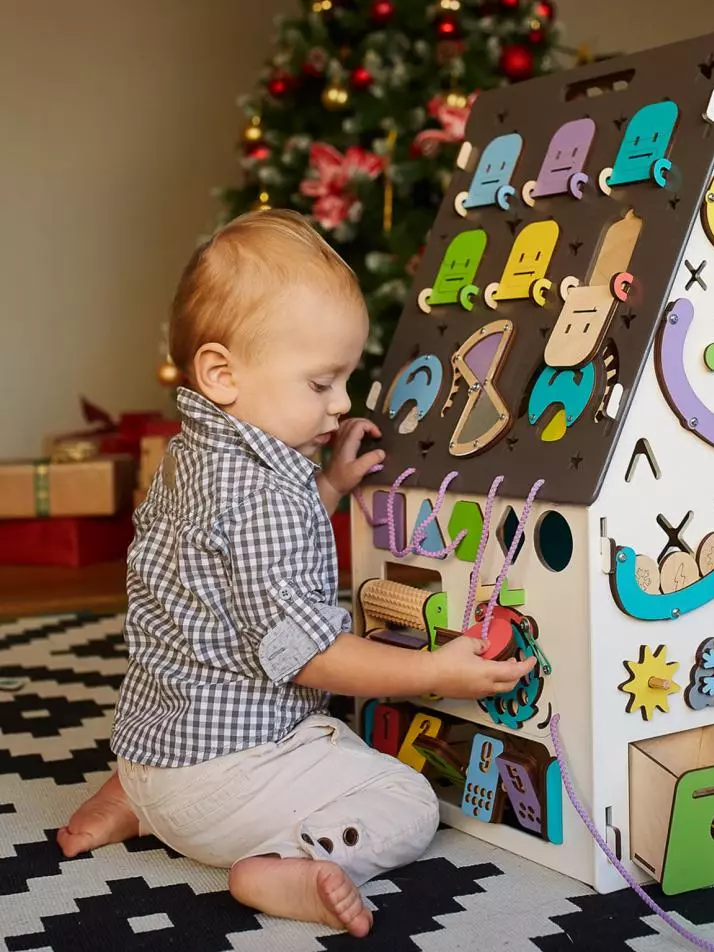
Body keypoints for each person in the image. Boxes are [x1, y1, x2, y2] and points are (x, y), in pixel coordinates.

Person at [57, 209, 535, 937]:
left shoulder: (193, 457)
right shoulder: (263, 497)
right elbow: (313, 658)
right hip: (224, 785)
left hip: (154, 754)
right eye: (322, 383)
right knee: (405, 798)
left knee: (209, 733)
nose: (342, 403)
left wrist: (332, 488)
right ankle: (283, 863)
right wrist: (437, 672)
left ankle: (130, 800)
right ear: (222, 373)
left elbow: (235, 561)